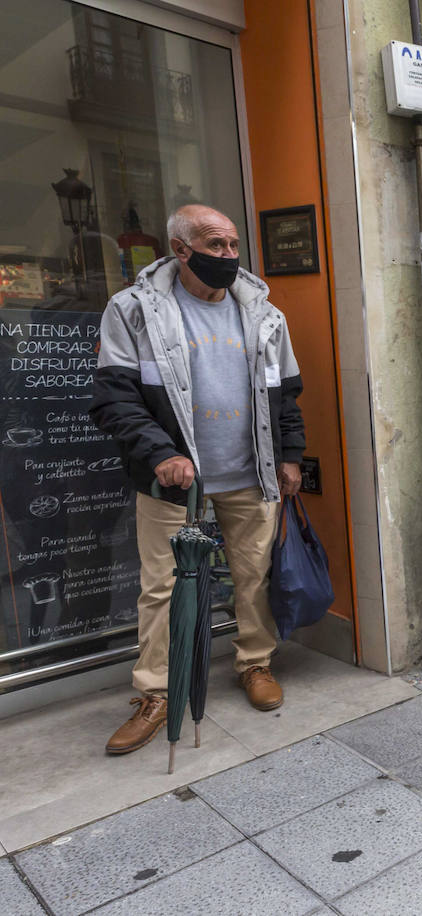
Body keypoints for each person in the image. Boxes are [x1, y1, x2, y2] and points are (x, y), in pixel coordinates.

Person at [91, 204, 306, 755]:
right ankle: (157, 692)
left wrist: (290, 456)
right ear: (180, 249)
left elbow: (286, 396)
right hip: (172, 480)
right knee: (162, 587)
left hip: (249, 471)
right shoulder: (134, 310)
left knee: (251, 575)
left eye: (234, 245)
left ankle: (255, 662)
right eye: (216, 246)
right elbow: (114, 398)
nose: (229, 256)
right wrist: (161, 452)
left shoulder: (263, 312)